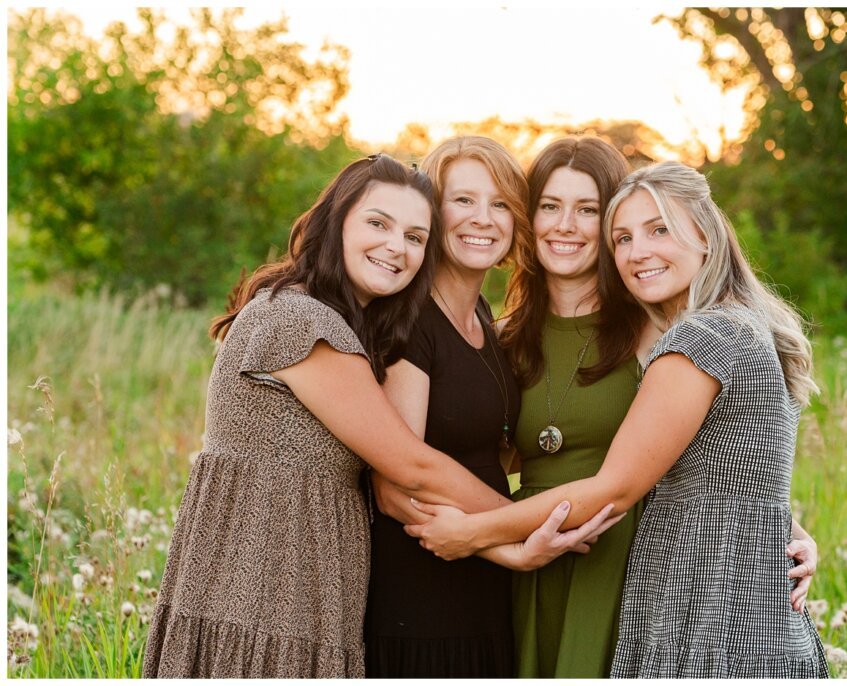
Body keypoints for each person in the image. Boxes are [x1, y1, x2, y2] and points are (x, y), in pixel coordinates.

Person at [142, 153, 614, 679]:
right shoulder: (301, 321)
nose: (396, 246)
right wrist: (529, 528)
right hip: (260, 579)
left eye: (414, 236)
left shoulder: (362, 323)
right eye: (378, 223)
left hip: (312, 577)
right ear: (336, 221)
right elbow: (410, 467)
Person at [407, 160, 831, 678]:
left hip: (711, 613)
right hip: (717, 601)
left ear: (706, 234)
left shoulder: (702, 338)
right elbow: (729, 469)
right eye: (624, 237)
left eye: (659, 230)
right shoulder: (736, 326)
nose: (638, 252)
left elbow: (616, 487)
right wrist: (780, 526)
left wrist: (472, 533)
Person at [363, 136, 529, 677]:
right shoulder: (408, 320)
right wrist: (519, 533)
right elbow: (398, 480)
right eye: (463, 200)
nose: (483, 218)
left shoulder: (483, 314)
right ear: (433, 213)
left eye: (500, 204)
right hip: (423, 594)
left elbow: (493, 448)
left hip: (485, 584)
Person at [498, 137, 653, 677]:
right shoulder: (503, 340)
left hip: (626, 561)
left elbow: (716, 451)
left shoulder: (652, 333)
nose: (565, 225)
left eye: (587, 209)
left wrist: (787, 530)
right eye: (550, 206)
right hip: (527, 556)